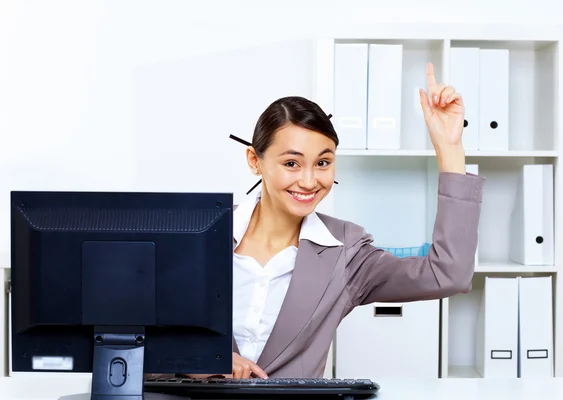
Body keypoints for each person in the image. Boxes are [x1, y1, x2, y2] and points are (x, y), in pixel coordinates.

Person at [156, 62, 484, 380]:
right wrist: (193, 359)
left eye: (323, 162)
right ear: (255, 161)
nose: (310, 181)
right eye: (292, 163)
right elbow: (121, 342)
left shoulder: (347, 252)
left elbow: (448, 275)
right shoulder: (194, 236)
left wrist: (449, 148)